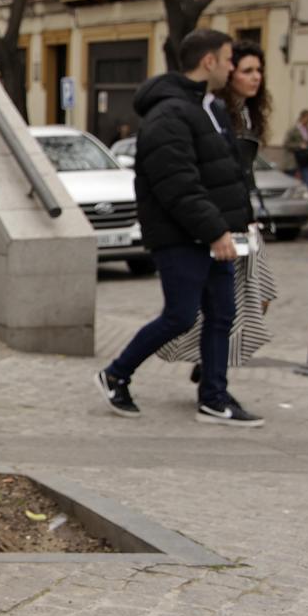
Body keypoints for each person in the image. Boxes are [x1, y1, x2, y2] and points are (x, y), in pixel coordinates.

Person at [94, 27, 263, 428]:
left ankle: (214, 398)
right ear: (208, 62)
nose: (231, 67)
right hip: (181, 236)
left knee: (222, 313)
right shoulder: (169, 114)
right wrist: (216, 232)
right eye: (226, 60)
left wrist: (240, 220)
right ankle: (116, 374)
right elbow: (178, 184)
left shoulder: (210, 108)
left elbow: (223, 174)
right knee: (181, 315)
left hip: (213, 234)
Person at [156, 40, 279, 384]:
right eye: (246, 70)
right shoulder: (214, 111)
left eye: (259, 70)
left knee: (257, 294)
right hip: (222, 220)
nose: (255, 78)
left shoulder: (244, 114)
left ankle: (210, 362)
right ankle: (208, 364)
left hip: (242, 217)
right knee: (212, 303)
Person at [284, 109, 308, 193]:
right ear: (303, 117)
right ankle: (287, 197)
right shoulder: (294, 129)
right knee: (289, 180)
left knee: (307, 181)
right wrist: (299, 145)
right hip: (293, 159)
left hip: (304, 159)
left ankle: (306, 196)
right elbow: (286, 144)